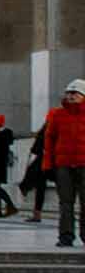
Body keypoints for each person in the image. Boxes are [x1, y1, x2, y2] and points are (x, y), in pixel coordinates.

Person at [39, 78, 85, 247]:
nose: (71, 96)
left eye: (75, 93)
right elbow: (49, 140)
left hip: (83, 164)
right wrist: (47, 164)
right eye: (69, 93)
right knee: (66, 203)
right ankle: (66, 235)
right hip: (63, 165)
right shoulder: (57, 115)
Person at [20, 123, 48, 222]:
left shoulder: (45, 130)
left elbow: (35, 149)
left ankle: (37, 214)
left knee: (40, 187)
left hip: (45, 163)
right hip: (56, 162)